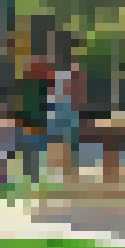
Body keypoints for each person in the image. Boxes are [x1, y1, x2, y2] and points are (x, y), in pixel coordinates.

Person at [0, 59, 49, 187]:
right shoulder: (27, 84)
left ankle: (29, 179)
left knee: (28, 152)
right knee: (18, 150)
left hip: (30, 123)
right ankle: (7, 178)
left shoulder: (42, 86)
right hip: (23, 122)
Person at [46, 53, 85, 183]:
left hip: (67, 115)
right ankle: (60, 173)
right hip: (61, 115)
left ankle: (67, 173)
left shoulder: (68, 78)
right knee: (60, 143)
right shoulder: (60, 78)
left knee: (68, 144)